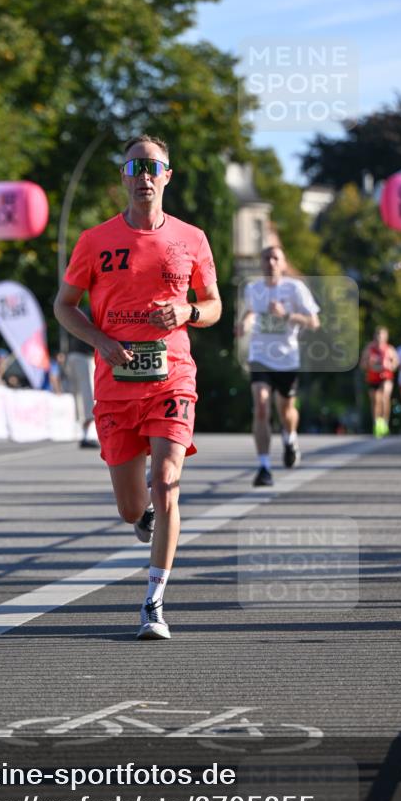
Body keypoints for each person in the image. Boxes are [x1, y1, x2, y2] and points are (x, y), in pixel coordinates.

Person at [54, 134, 221, 640]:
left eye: (153, 166)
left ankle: (154, 600)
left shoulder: (191, 239)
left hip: (173, 375)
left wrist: (188, 311)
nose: (144, 175)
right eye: (134, 167)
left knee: (168, 480)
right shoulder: (94, 240)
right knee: (132, 507)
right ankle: (142, 513)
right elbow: (65, 305)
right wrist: (99, 340)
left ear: (168, 175)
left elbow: (213, 305)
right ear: (123, 177)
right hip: (115, 386)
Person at [238, 245, 320, 487]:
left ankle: (290, 438)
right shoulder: (254, 288)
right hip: (260, 356)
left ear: (283, 263)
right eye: (266, 258)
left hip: (287, 358)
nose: (271, 262)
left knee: (286, 411)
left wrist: (286, 315)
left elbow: (314, 322)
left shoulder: (295, 288)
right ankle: (264, 467)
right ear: (261, 263)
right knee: (261, 406)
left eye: (276, 258)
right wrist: (244, 323)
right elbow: (251, 313)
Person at [66, 318, 100, 448]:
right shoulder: (97, 308)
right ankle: (89, 434)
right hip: (84, 356)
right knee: (89, 394)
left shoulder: (82, 309)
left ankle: (84, 433)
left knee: (80, 396)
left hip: (74, 355)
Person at [360, 327, 399, 437]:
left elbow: (396, 363)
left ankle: (385, 423)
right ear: (374, 336)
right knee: (376, 401)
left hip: (386, 376)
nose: (379, 338)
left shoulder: (389, 348)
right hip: (373, 378)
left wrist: (389, 365)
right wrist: (369, 364)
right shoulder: (369, 348)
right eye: (378, 335)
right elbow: (362, 364)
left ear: (386, 337)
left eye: (382, 335)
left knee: (385, 397)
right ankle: (377, 423)